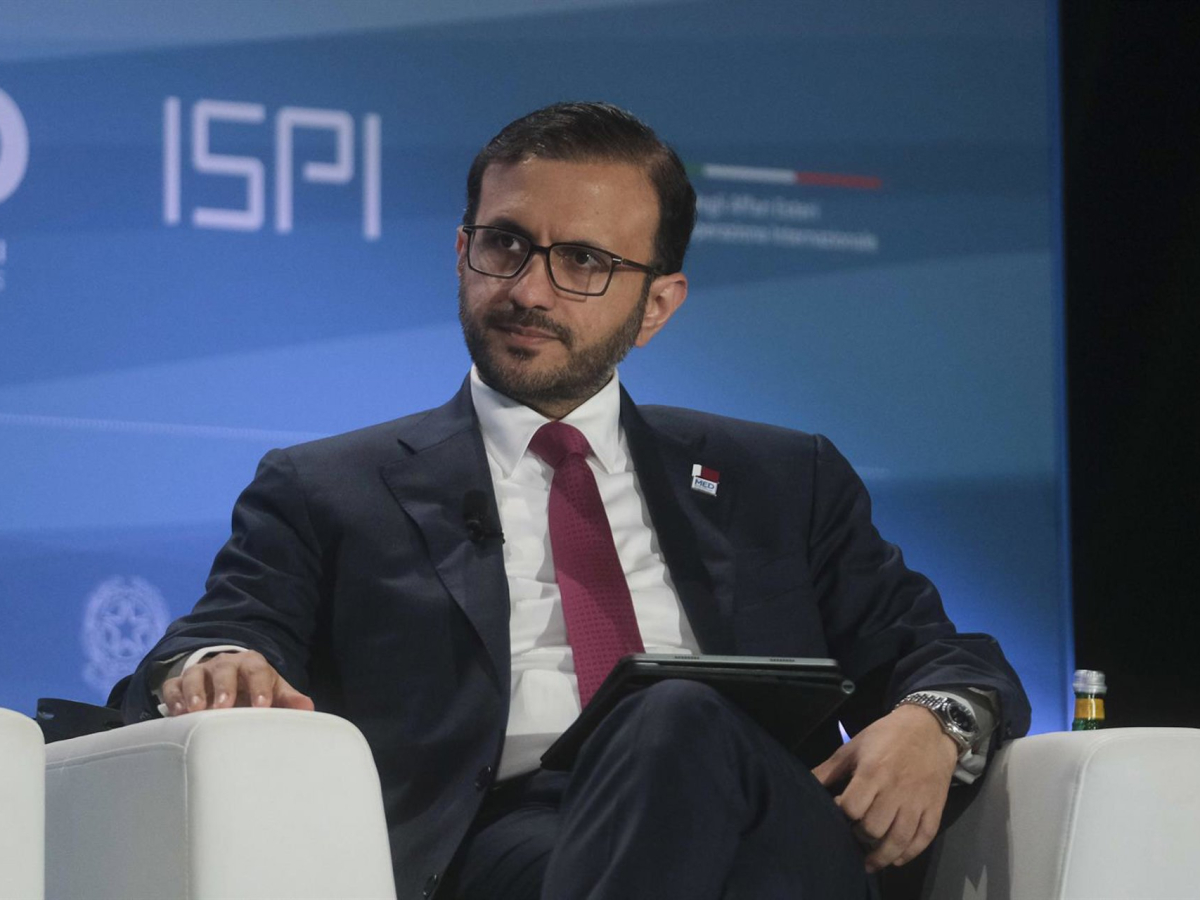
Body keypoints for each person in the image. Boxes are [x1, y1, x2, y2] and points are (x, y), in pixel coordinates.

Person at [117, 101, 1029, 900]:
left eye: (583, 260)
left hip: (772, 822)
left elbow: (949, 658)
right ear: (462, 252)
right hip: (506, 848)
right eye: (504, 244)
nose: (527, 290)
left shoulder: (783, 479)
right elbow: (217, 635)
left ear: (657, 305)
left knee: (675, 714)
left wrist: (936, 721)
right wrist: (217, 663)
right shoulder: (329, 489)